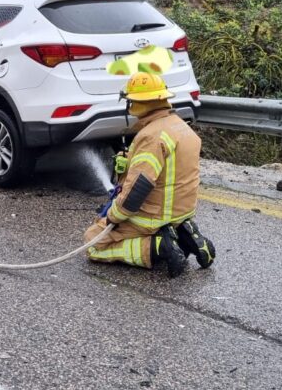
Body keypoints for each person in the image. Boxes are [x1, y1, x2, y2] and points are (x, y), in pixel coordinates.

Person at [84, 72, 216, 278]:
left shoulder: (151, 137)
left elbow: (137, 191)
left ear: (137, 104)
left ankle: (157, 246)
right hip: (181, 212)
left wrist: (112, 216)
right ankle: (184, 234)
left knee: (93, 242)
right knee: (110, 230)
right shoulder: (182, 128)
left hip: (153, 217)